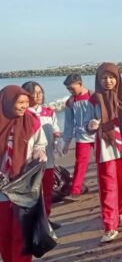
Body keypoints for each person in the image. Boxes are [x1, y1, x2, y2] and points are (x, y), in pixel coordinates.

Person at [90, 63, 122, 243]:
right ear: (98, 80)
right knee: (108, 185)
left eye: (111, 77)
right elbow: (87, 124)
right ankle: (110, 225)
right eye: (104, 78)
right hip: (105, 145)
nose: (108, 81)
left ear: (117, 78)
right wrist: (91, 125)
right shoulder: (93, 100)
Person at [0, 85, 48, 262]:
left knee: (22, 232)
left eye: (26, 103)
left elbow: (39, 143)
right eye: (19, 102)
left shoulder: (32, 121)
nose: (23, 106)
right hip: (2, 187)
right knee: (3, 232)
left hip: (25, 184)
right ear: (6, 102)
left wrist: (39, 152)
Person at [21, 81, 61, 219]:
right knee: (33, 193)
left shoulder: (48, 112)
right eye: (33, 93)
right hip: (30, 162)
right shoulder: (23, 114)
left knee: (48, 190)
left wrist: (59, 140)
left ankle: (47, 219)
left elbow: (56, 129)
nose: (37, 96)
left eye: (40, 92)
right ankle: (35, 220)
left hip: (48, 158)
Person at [62, 73, 96, 199]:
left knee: (102, 161)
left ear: (80, 84)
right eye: (68, 89)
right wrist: (66, 142)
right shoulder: (70, 102)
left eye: (72, 88)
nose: (71, 91)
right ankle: (75, 190)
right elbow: (68, 123)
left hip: (98, 134)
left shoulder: (93, 96)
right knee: (81, 163)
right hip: (81, 136)